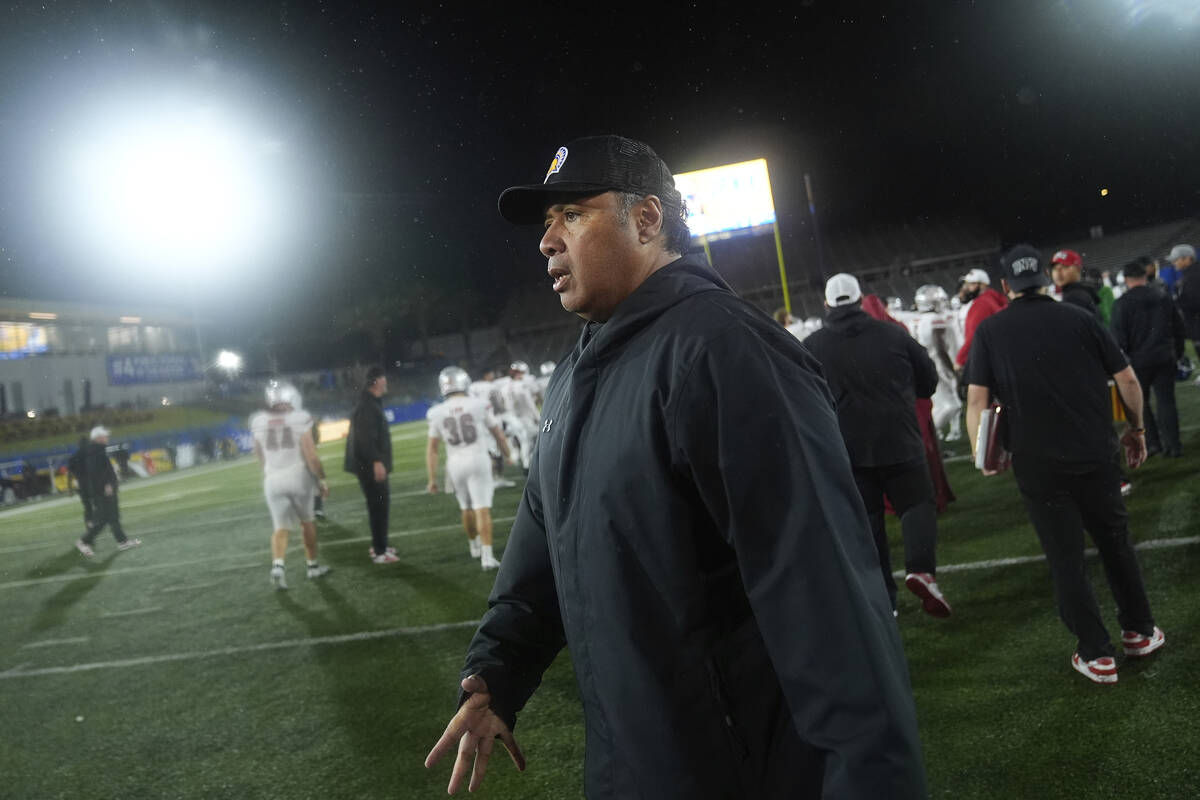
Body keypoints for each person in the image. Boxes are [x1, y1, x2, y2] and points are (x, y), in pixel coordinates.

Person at [425, 134, 927, 798]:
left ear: (647, 219)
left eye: (572, 214)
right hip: (633, 764)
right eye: (547, 224)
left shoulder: (725, 353)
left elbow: (829, 608)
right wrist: (496, 676)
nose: (547, 241)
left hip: (736, 772)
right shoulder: (576, 372)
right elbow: (541, 555)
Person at [965, 244, 1165, 685]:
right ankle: (1139, 631)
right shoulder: (1079, 317)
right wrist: (1136, 430)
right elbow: (1127, 379)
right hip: (1095, 452)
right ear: (1045, 278)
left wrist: (984, 455)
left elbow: (977, 401)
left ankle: (1097, 654)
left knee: (1065, 559)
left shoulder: (991, 331)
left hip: (1037, 461)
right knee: (1116, 544)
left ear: (1005, 287)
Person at [805, 274, 950, 618]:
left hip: (848, 447)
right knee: (916, 503)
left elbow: (807, 399)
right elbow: (928, 381)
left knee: (867, 522)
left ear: (827, 304)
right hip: (899, 437)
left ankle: (885, 600)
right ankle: (920, 568)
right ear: (860, 300)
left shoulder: (812, 346)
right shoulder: (892, 333)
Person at [426, 366, 513, 570]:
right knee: (482, 508)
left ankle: (473, 545)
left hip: (455, 463)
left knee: (465, 507)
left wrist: (432, 478)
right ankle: (487, 556)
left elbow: (432, 449)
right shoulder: (479, 404)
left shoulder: (436, 412)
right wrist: (507, 454)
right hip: (478, 459)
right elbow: (498, 433)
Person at [249, 381, 332, 589]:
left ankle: (278, 567)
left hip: (272, 479)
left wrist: (267, 472)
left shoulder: (258, 420)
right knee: (308, 522)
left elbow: (257, 453)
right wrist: (322, 478)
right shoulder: (300, 418)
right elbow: (311, 456)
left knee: (280, 528)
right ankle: (312, 567)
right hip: (297, 476)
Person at [1112, 259, 1186, 457]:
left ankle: (1153, 444)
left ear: (1126, 280)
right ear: (1145, 276)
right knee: (1166, 402)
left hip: (1138, 361)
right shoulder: (1162, 296)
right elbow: (1179, 328)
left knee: (1141, 405)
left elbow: (1119, 338)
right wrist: (1177, 354)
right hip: (1164, 357)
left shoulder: (1121, 304)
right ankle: (1174, 445)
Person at [344, 366, 397, 564]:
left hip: (368, 464)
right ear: (377, 381)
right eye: (384, 379)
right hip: (369, 465)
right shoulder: (367, 406)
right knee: (379, 506)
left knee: (379, 506)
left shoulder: (369, 403)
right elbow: (365, 439)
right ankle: (380, 552)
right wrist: (376, 461)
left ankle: (380, 545)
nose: (386, 382)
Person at [73, 426, 141, 556]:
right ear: (98, 438)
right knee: (103, 519)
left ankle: (123, 542)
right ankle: (83, 541)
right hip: (102, 491)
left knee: (113, 516)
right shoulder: (94, 451)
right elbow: (96, 472)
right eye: (104, 436)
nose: (107, 438)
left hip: (104, 489)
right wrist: (107, 485)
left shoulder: (97, 450)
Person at [913, 283, 962, 442]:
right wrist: (951, 369)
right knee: (953, 405)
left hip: (928, 364)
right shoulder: (935, 319)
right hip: (938, 365)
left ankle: (934, 434)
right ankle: (925, 435)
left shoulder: (921, 319)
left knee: (940, 405)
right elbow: (940, 349)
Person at [954, 267, 1007, 370]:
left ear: (983, 285)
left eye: (972, 284)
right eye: (967, 284)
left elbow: (974, 335)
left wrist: (960, 359)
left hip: (989, 358)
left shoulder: (981, 304)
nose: (967, 288)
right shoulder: (993, 298)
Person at [1169, 244, 1200, 371]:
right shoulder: (1190, 274)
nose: (1174, 263)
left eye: (1176, 259)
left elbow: (1194, 302)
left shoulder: (1193, 276)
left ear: (1187, 259)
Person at [1051, 249, 1101, 320]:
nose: (1058, 272)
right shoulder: (1081, 292)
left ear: (1078, 269)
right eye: (1055, 268)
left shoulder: (1075, 297)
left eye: (1065, 267)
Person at [67, 435, 94, 541]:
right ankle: (97, 525)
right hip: (94, 484)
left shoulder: (73, 457)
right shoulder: (92, 454)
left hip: (82, 485)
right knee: (100, 505)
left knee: (88, 508)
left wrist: (70, 489)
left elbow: (69, 474)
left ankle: (89, 528)